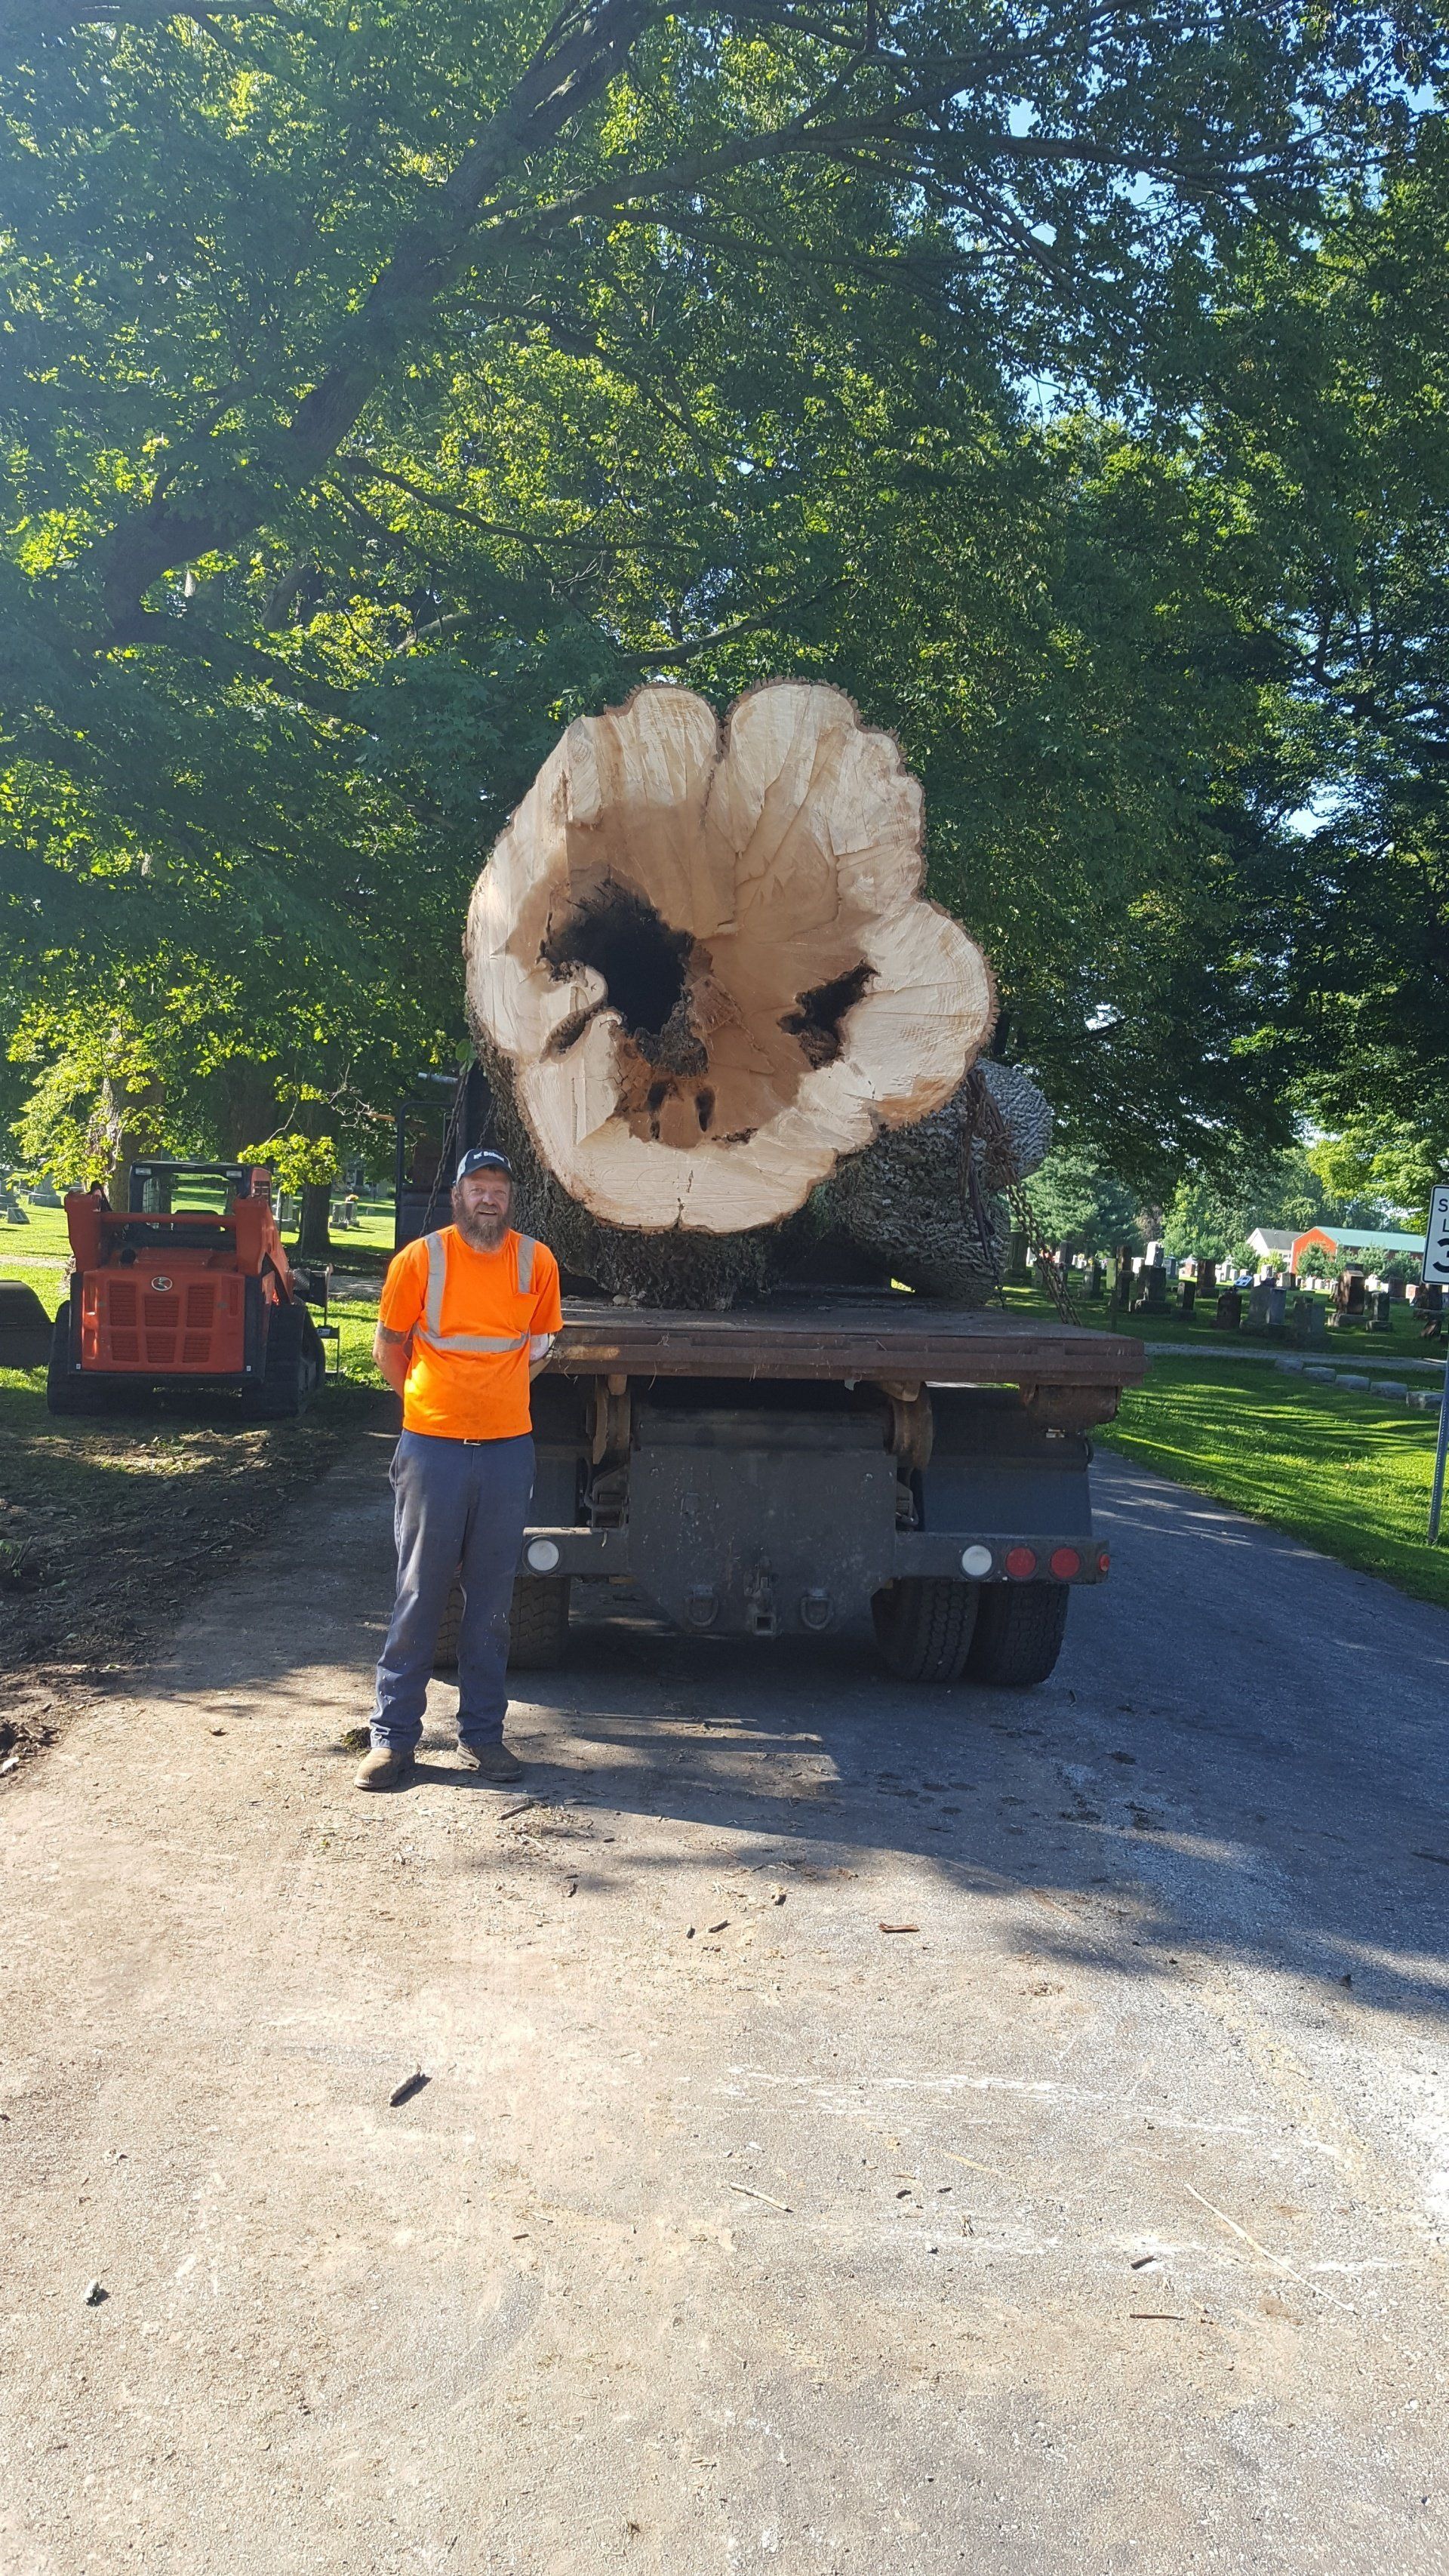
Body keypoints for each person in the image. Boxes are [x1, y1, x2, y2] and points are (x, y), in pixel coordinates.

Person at [357, 1146, 563, 1791]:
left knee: (492, 1602)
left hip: (507, 1452)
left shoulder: (537, 1261)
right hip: (433, 1450)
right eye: (477, 1186)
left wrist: (495, 1398)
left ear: (510, 1198)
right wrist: (430, 1404)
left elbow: (539, 1349)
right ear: (457, 1196)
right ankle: (392, 1739)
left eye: (499, 1187)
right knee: (420, 1594)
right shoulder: (419, 1260)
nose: (489, 1198)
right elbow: (387, 1349)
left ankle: (482, 1736)